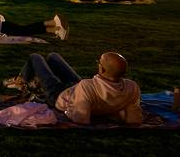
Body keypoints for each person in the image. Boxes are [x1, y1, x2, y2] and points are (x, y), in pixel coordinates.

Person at [10, 52, 141, 125]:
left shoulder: (87, 86)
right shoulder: (132, 87)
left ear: (101, 68)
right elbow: (134, 118)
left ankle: (21, 81)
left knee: (35, 57)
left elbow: (80, 118)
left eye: (98, 62)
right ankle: (29, 81)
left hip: (58, 95)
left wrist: (65, 111)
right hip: (77, 88)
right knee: (53, 57)